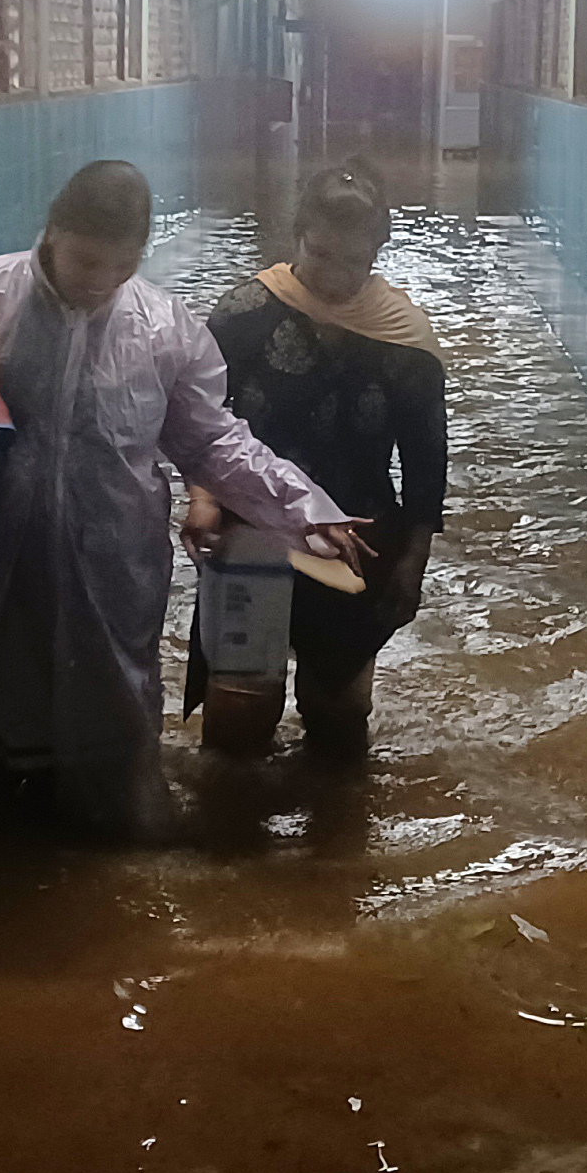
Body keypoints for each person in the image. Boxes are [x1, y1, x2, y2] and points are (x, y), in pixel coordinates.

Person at [0, 160, 367, 839]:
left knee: (109, 714)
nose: (100, 281)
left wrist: (304, 507)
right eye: (85, 259)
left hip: (107, 564)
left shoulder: (164, 329)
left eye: (121, 265)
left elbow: (212, 442)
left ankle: (109, 847)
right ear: (51, 232)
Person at [185, 162, 446, 756]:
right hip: (251, 532)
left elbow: (427, 462)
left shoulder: (405, 340)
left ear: (380, 250)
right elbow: (200, 420)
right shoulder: (243, 317)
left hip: (357, 541)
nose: (334, 277)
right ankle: (232, 836)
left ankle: (335, 837)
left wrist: (413, 562)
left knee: (339, 718)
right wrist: (202, 501)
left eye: (355, 262)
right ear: (297, 235)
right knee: (238, 717)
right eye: (320, 254)